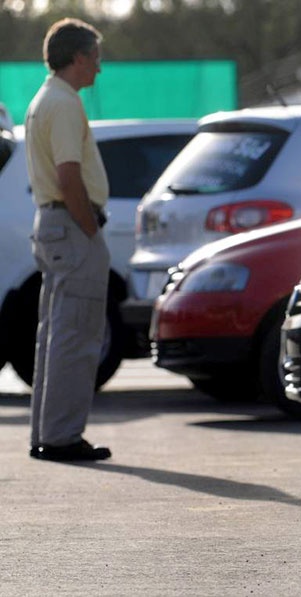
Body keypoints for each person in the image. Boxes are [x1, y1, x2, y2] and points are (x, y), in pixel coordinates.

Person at [26, 17, 111, 461]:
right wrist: (91, 226)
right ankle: (60, 437)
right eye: (95, 58)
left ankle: (48, 433)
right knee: (76, 335)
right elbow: (68, 174)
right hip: (72, 225)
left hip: (55, 225)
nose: (98, 68)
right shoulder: (63, 103)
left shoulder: (46, 98)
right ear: (77, 58)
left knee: (56, 335)